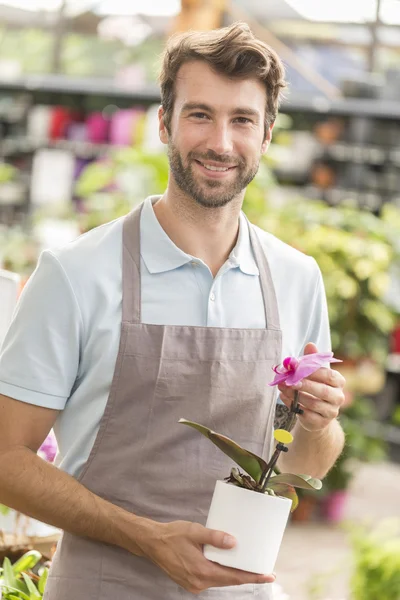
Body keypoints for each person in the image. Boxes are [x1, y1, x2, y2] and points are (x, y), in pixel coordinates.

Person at [0, 22, 345, 599]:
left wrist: (319, 422)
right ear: (164, 123)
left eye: (242, 120)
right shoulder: (75, 273)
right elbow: (7, 459)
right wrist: (147, 538)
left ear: (266, 136)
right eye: (200, 115)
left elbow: (298, 470)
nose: (221, 143)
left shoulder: (295, 277)